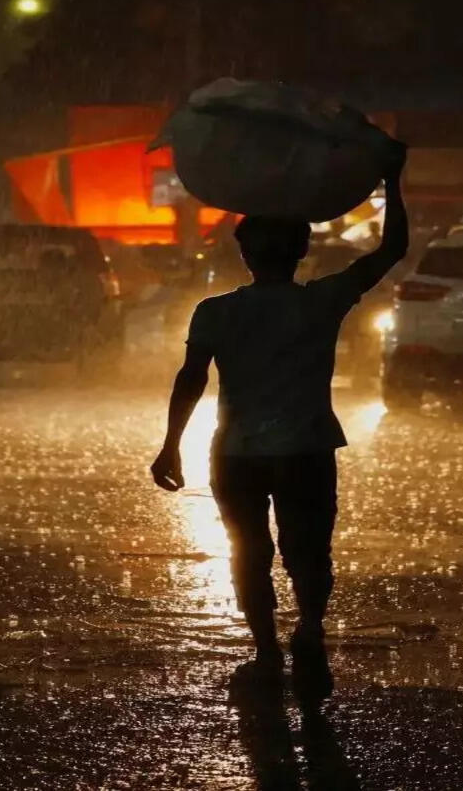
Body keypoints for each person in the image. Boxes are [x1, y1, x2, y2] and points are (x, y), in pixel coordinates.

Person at [150, 149, 409, 691]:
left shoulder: (215, 312)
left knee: (249, 552)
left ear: (245, 254)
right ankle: (310, 630)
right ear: (303, 252)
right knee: (308, 549)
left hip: (238, 454)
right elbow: (393, 249)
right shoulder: (322, 302)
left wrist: (170, 445)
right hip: (306, 450)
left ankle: (266, 652)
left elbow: (190, 378)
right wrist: (391, 178)